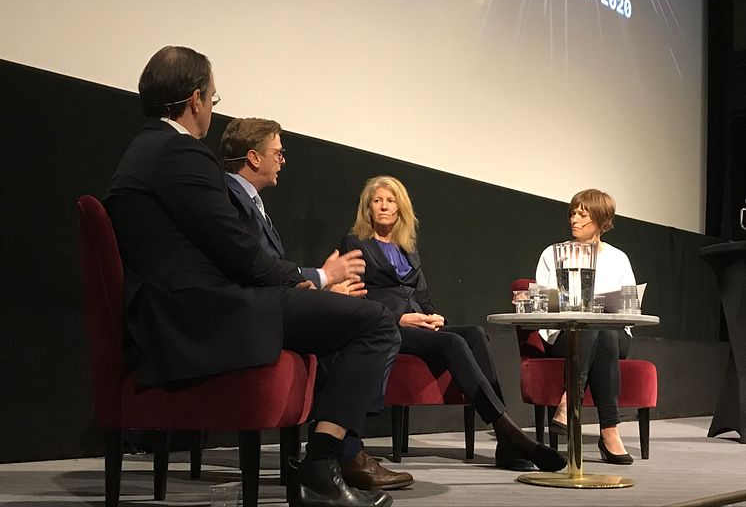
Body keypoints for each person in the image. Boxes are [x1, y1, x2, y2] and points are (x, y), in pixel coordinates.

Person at [105, 46, 399, 507]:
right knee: (375, 321)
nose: (210, 112)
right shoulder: (180, 152)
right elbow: (238, 249)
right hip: (205, 314)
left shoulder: (139, 151)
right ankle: (322, 466)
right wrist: (306, 279)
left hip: (175, 310)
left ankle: (327, 462)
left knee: (344, 318)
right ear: (196, 99)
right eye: (213, 100)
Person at [219, 117, 413, 491]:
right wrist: (323, 278)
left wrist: (309, 285)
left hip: (272, 301)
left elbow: (263, 266)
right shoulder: (229, 197)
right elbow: (250, 265)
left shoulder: (249, 200)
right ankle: (329, 456)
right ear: (254, 157)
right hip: (251, 312)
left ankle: (337, 452)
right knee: (378, 322)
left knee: (356, 336)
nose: (283, 160)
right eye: (278, 152)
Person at [340, 176, 568, 473]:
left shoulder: (408, 248)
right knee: (453, 342)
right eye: (377, 201)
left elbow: (422, 295)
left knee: (474, 333)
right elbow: (353, 299)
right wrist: (398, 318)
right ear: (368, 208)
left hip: (418, 323)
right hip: (387, 327)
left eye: (390, 200)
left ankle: (504, 440)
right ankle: (509, 435)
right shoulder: (355, 243)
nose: (384, 206)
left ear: (400, 209)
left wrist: (436, 317)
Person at [535, 188, 636, 465]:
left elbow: (630, 306)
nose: (574, 220)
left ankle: (569, 402)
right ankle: (610, 432)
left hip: (615, 335)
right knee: (590, 326)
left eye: (583, 214)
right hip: (565, 335)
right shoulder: (553, 253)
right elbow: (542, 303)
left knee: (602, 328)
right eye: (573, 213)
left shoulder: (619, 259)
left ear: (602, 221)